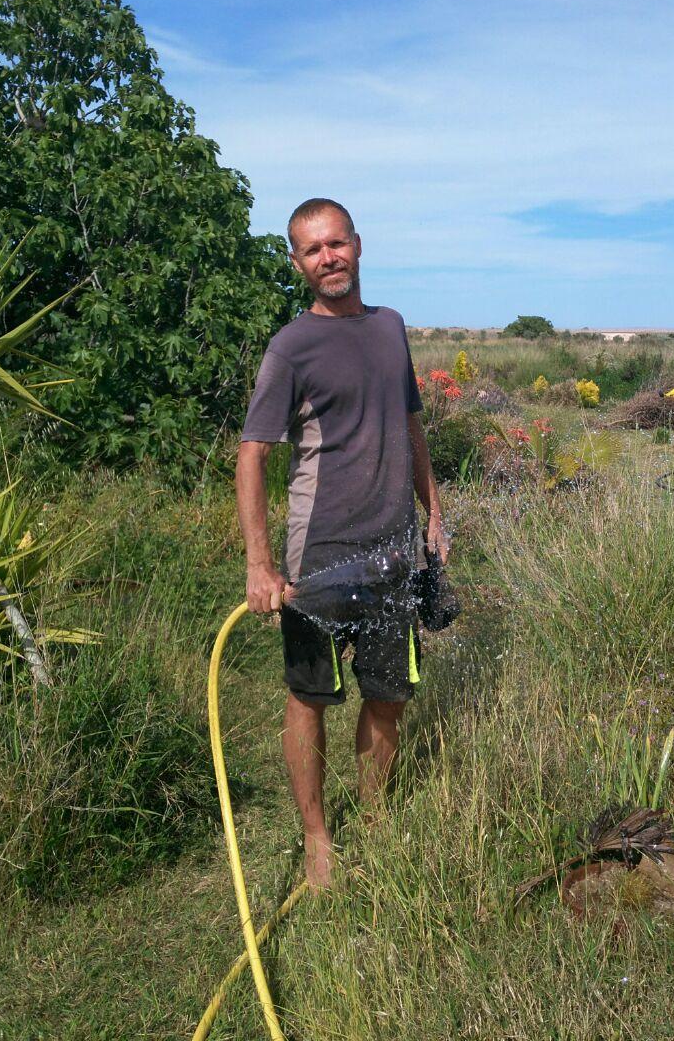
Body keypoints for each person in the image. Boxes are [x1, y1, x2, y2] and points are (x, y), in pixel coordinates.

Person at [236, 197, 448, 889]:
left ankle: (376, 815)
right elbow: (253, 455)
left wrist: (434, 515)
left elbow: (411, 424)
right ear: (297, 263)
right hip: (318, 556)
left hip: (393, 548)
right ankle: (318, 838)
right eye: (312, 250)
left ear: (358, 244)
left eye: (336, 244)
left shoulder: (390, 329)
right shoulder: (291, 346)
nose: (328, 258)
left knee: (388, 696)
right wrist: (261, 565)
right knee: (310, 699)